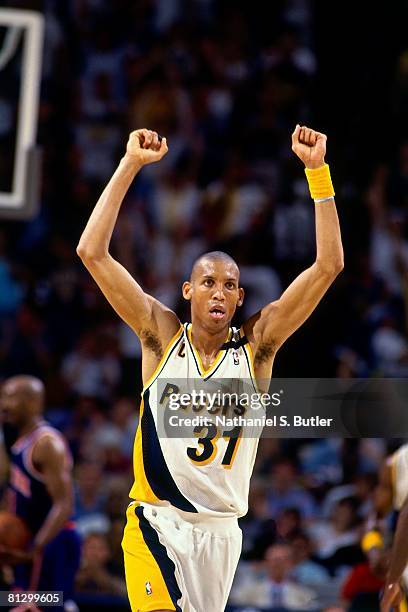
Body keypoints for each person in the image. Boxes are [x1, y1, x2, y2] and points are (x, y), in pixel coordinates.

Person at [77, 125, 343, 612]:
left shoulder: (258, 348)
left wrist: (317, 172)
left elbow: (328, 266)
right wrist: (130, 165)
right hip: (156, 522)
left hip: (221, 535)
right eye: (207, 282)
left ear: (240, 297)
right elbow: (92, 252)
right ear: (187, 291)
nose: (218, 291)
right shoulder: (160, 337)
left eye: (229, 284)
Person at [0, 376, 81, 611]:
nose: (4, 404)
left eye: (11, 397)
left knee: (39, 606)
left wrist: (33, 549)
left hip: (51, 543)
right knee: (12, 602)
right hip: (30, 544)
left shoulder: (47, 444)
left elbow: (64, 505)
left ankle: (66, 605)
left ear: (33, 402)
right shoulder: (20, 442)